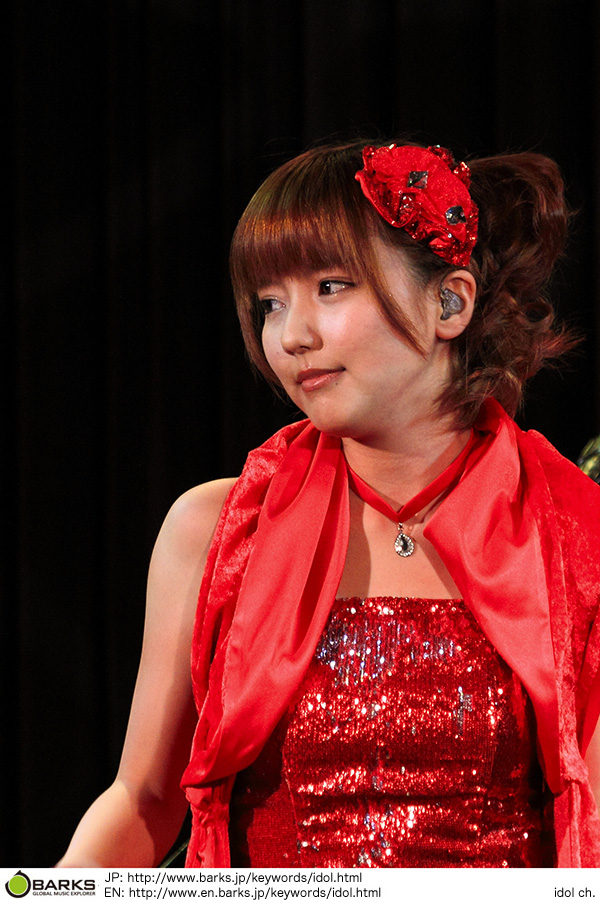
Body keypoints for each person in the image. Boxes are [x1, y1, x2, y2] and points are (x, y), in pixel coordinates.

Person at [58, 140, 600, 869]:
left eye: (331, 287)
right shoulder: (216, 530)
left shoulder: (574, 534)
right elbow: (144, 798)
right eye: (270, 304)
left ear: (449, 301)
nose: (291, 336)